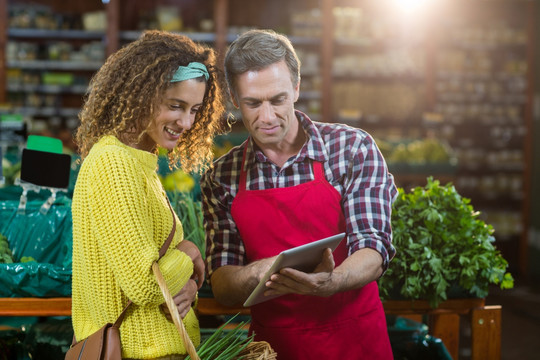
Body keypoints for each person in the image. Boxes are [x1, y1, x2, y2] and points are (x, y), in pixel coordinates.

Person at [200, 29, 397, 359]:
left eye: (277, 100)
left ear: (296, 88)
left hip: (356, 342)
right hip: (274, 348)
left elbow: (374, 245)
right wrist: (257, 272)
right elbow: (222, 283)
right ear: (235, 100)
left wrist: (334, 281)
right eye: (252, 103)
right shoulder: (222, 178)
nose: (267, 117)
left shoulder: (352, 149)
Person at [71, 30, 226, 359]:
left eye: (195, 110)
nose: (186, 121)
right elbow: (144, 284)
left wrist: (190, 286)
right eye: (176, 106)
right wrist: (191, 255)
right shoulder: (114, 164)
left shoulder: (140, 163)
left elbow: (158, 278)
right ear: (141, 95)